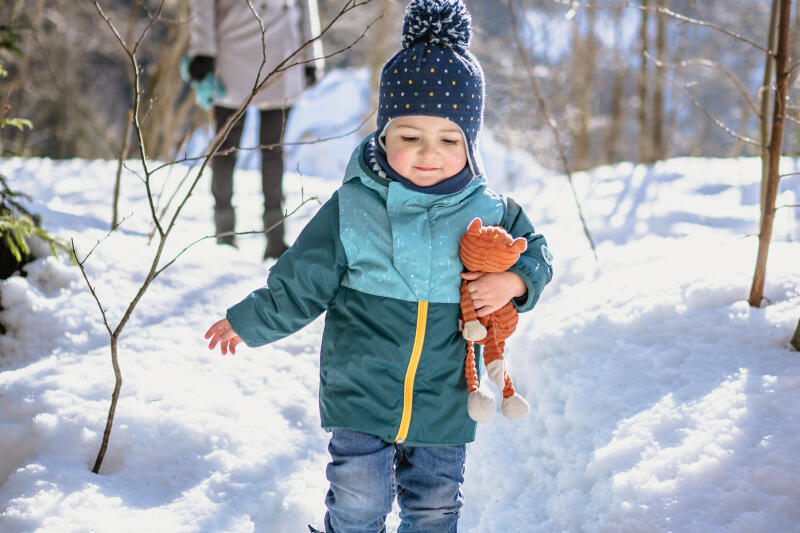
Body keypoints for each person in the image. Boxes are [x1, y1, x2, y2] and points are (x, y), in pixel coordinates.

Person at [204, 0, 554, 530]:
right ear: (384, 133)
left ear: (470, 143)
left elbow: (538, 254)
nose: (427, 153)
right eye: (409, 137)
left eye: (448, 139)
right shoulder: (353, 207)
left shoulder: (490, 212)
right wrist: (252, 320)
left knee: (435, 508)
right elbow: (303, 279)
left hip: (445, 402)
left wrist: (512, 281)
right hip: (359, 394)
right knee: (357, 503)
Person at [187, 0, 324, 258]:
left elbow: (305, 5)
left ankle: (275, 237)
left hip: (283, 52)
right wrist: (203, 50)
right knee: (225, 150)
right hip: (231, 50)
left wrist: (311, 56)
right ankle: (224, 234)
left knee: (272, 150)